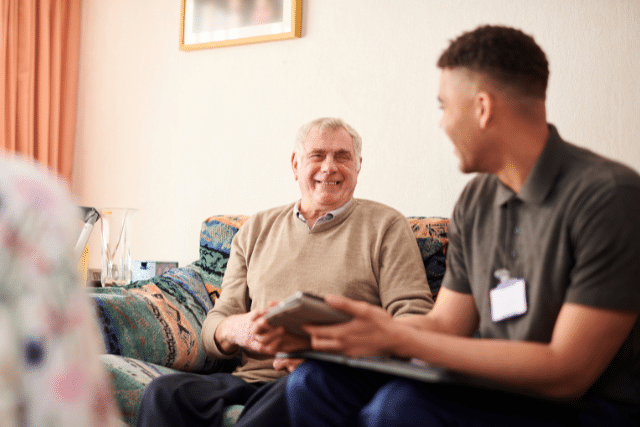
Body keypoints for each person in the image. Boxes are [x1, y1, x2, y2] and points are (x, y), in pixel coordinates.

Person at [285, 25, 640, 426]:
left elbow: (566, 372)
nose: (441, 124)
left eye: (444, 106)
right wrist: (339, 337)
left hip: (584, 405)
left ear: (482, 108)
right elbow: (444, 325)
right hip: (493, 388)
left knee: (401, 408)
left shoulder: (610, 197)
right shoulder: (477, 200)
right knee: (314, 382)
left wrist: (399, 337)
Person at [135, 117, 434, 427]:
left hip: (329, 377)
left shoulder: (386, 226)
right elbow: (217, 324)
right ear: (295, 164)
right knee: (164, 393)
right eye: (317, 155)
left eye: (342, 156)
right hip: (251, 379)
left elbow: (415, 318)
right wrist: (239, 329)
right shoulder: (255, 229)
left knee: (301, 387)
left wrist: (335, 353)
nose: (329, 167)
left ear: (358, 166)